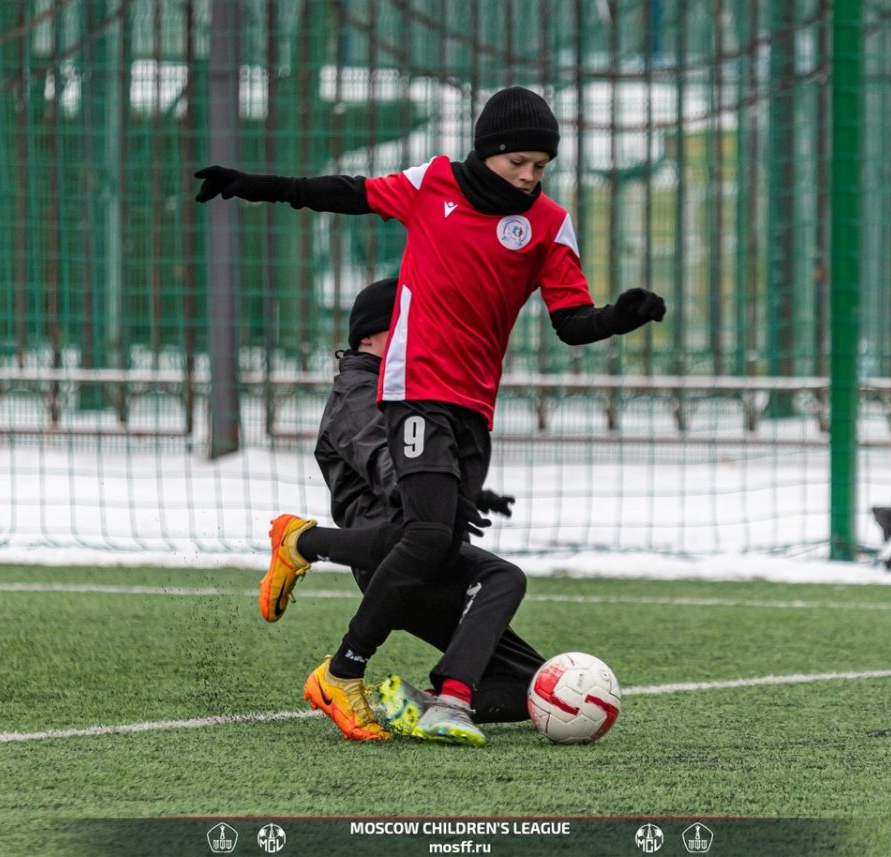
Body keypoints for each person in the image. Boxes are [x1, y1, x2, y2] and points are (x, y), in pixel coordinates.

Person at [196, 86, 667, 746]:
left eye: (542, 166)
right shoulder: (435, 182)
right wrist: (256, 185)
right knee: (425, 534)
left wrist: (621, 316)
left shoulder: (549, 223)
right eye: (519, 163)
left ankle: (442, 691)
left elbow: (571, 322)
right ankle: (343, 670)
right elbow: (347, 191)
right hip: (415, 387)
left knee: (443, 542)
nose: (530, 177)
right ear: (489, 151)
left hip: (475, 407)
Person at [299, 276, 548, 744]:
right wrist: (445, 496)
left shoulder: (405, 391)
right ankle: (437, 697)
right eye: (410, 324)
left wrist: (461, 493)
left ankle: (415, 705)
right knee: (503, 577)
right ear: (369, 336)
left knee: (531, 689)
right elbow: (390, 468)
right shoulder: (358, 393)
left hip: (428, 556)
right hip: (398, 558)